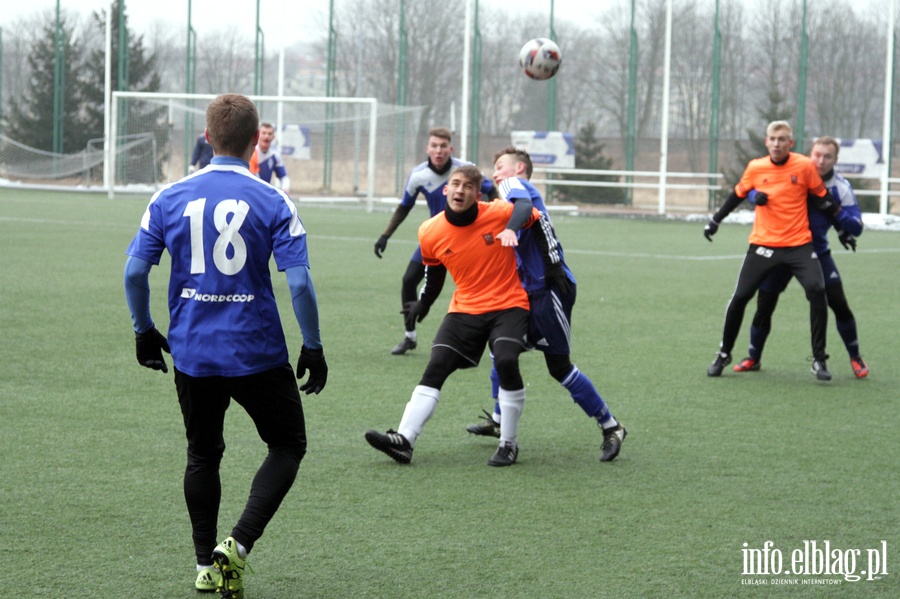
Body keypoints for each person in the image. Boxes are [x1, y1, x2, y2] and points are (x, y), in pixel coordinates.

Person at [123, 93, 328, 598]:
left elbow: (134, 271)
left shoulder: (168, 196)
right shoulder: (274, 200)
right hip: (257, 351)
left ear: (208, 136)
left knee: (202, 456)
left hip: (193, 352)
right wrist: (314, 346)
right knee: (287, 445)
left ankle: (203, 563)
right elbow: (299, 285)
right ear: (255, 139)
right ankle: (236, 546)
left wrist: (143, 330)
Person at [365, 165, 547, 467]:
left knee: (505, 359)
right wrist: (422, 305)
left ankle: (508, 444)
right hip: (464, 309)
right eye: (456, 184)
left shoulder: (500, 212)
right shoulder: (430, 231)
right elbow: (434, 277)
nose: (460, 190)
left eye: (468, 187)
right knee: (436, 365)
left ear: (478, 194)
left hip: (509, 304)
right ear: (446, 190)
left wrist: (543, 263)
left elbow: (531, 211)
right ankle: (405, 440)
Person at [465, 147, 627, 462]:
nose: (496, 173)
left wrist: (509, 229)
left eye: (500, 166)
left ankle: (612, 426)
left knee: (559, 367)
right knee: (501, 348)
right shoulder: (508, 196)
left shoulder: (516, 186)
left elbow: (522, 207)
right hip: (528, 290)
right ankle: (500, 421)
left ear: (519, 167)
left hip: (548, 289)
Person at [704, 120, 842, 381]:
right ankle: (724, 353)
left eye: (782, 139)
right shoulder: (756, 168)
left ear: (790, 143)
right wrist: (715, 220)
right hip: (763, 245)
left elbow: (822, 197)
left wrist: (843, 225)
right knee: (741, 296)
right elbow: (737, 194)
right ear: (766, 141)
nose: (777, 143)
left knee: (817, 289)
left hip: (799, 245)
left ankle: (819, 359)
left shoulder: (803, 166)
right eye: (773, 139)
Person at [733, 136, 867, 378]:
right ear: (809, 154)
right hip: (779, 250)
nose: (821, 160)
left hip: (816, 252)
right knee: (764, 305)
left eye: (827, 156)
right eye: (817, 155)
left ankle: (855, 357)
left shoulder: (840, 187)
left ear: (836, 159)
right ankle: (753, 357)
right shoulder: (794, 174)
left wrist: (834, 211)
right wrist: (754, 197)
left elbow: (857, 226)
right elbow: (754, 188)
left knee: (838, 303)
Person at [373, 127, 497, 355]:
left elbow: (492, 191)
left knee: (479, 286)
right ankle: (409, 336)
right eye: (434, 146)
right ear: (427, 148)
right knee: (409, 280)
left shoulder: (465, 170)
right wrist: (385, 235)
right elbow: (404, 208)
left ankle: (493, 336)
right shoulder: (418, 175)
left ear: (450, 149)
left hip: (469, 239)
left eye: (443, 146)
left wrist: (496, 224)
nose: (438, 151)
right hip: (437, 239)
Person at [252, 121, 291, 192]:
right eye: (263, 133)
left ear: (273, 137)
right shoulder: (251, 152)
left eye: (269, 134)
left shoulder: (275, 155)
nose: (266, 136)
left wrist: (285, 189)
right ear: (258, 135)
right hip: (252, 190)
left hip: (264, 192)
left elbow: (284, 177)